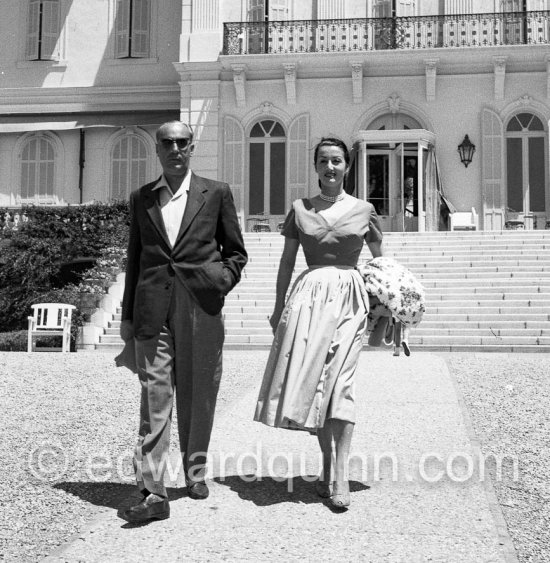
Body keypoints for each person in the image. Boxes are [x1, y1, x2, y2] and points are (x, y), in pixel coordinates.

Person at [120, 120, 248, 523]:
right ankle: (152, 489)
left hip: (200, 305)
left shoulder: (217, 193)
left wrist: (219, 281)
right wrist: (127, 314)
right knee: (155, 396)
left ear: (192, 148)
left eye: (182, 143)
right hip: (152, 309)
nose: (175, 149)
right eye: (167, 143)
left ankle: (194, 472)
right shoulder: (141, 198)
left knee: (198, 391)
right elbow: (135, 257)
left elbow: (236, 252)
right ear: (157, 149)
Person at [254, 137, 383, 510]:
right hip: (308, 298)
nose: (330, 167)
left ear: (347, 166)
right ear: (315, 167)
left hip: (349, 298)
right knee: (316, 386)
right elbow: (285, 262)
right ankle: (326, 465)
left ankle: (341, 473)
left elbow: (379, 262)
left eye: (337, 161)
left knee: (340, 383)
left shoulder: (364, 210)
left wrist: (385, 309)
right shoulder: (300, 209)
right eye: (324, 161)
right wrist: (279, 306)